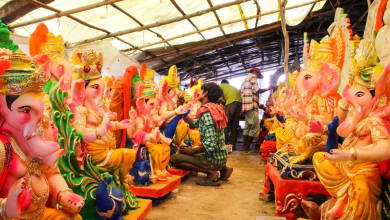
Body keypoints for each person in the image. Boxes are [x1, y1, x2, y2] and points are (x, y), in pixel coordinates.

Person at [170, 82, 233, 186]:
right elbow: (194, 124)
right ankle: (223, 168)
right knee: (185, 151)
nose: (198, 93)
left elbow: (210, 144)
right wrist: (182, 111)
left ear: (205, 93)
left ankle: (211, 173)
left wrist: (191, 151)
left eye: (200, 91)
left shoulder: (207, 114)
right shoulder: (213, 109)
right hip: (220, 157)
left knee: (174, 159)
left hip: (212, 160)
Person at [239, 68, 274, 154]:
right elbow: (256, 90)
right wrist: (268, 88)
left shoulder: (245, 79)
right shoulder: (253, 76)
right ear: (255, 72)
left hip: (246, 107)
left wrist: (261, 106)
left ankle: (245, 148)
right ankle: (246, 148)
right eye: (258, 75)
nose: (257, 77)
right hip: (251, 107)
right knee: (255, 128)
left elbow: (248, 95)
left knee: (247, 128)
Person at [219, 79, 242, 151]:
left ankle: (224, 146)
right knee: (234, 126)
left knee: (225, 124)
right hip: (239, 103)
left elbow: (219, 98)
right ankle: (233, 146)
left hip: (231, 103)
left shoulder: (221, 86)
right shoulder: (231, 87)